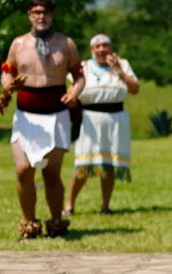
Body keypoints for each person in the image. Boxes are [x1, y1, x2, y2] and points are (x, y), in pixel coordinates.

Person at [0, 0, 85, 240]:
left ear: (51, 15)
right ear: (29, 15)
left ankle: (55, 222)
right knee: (23, 170)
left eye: (45, 12)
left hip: (56, 115)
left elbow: (78, 75)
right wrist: (7, 85)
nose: (41, 16)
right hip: (25, 117)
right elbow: (6, 70)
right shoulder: (18, 44)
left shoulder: (66, 43)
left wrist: (75, 92)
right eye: (36, 12)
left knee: (51, 174)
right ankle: (28, 224)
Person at [64, 33, 139, 215]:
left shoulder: (123, 64)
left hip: (116, 119)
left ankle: (106, 206)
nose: (101, 49)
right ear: (91, 50)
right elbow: (71, 90)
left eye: (105, 45)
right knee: (83, 164)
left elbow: (135, 89)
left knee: (109, 165)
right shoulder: (83, 67)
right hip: (90, 119)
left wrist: (120, 71)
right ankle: (69, 205)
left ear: (111, 48)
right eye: (97, 47)